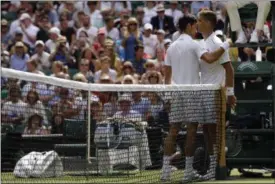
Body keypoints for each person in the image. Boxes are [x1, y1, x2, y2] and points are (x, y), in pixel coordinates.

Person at [161, 15, 232, 182]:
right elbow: (210, 58)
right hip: (193, 93)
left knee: (173, 130)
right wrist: (226, 44)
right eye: (195, 26)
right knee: (192, 131)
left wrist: (167, 96)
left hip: (176, 92)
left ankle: (165, 173)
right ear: (189, 26)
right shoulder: (195, 45)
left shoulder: (171, 47)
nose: (196, 29)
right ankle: (187, 172)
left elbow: (166, 75)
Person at [197, 10, 236, 180]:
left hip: (214, 93)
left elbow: (229, 69)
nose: (197, 23)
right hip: (204, 92)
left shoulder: (216, 42)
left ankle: (216, 169)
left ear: (207, 23)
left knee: (213, 131)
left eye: (199, 20)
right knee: (206, 130)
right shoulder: (204, 42)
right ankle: (212, 167)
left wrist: (230, 93)